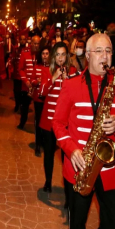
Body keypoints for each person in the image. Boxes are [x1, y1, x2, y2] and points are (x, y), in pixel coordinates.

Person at [53, 34, 115, 229]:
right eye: (99, 51)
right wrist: (72, 150)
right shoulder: (70, 84)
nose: (105, 56)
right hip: (80, 168)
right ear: (87, 55)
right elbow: (58, 124)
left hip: (112, 170)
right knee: (77, 226)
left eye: (108, 51)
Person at [39, 42, 77, 193]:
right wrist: (53, 78)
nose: (60, 58)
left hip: (66, 122)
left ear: (67, 56)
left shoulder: (73, 71)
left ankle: (68, 187)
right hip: (49, 121)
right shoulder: (47, 70)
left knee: (66, 156)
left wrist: (68, 80)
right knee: (48, 153)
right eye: (58, 54)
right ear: (54, 56)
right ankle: (48, 181)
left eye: (63, 54)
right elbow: (41, 91)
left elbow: (76, 96)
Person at [17, 35, 41, 129]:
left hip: (37, 86)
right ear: (31, 43)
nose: (36, 45)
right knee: (25, 107)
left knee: (38, 108)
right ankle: (22, 123)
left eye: (38, 44)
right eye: (34, 43)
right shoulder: (25, 53)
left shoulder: (41, 54)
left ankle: (38, 126)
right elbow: (20, 69)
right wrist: (26, 81)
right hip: (26, 86)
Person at [31, 47, 50, 156]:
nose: (45, 56)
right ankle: (38, 144)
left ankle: (45, 143)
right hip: (38, 99)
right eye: (43, 53)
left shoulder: (52, 68)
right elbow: (32, 80)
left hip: (48, 100)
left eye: (47, 53)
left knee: (47, 123)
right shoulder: (37, 67)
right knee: (38, 122)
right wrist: (35, 82)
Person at [9, 35, 28, 112]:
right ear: (19, 40)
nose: (22, 41)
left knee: (23, 91)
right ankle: (17, 104)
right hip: (16, 74)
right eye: (21, 39)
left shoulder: (28, 49)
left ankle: (22, 105)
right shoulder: (16, 48)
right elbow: (12, 59)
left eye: (24, 39)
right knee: (16, 91)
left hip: (24, 75)